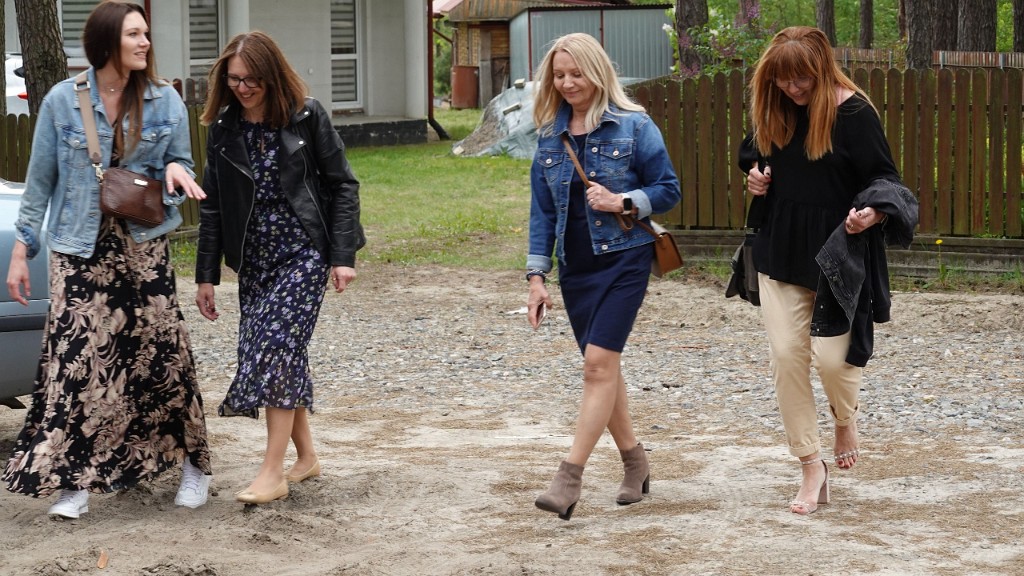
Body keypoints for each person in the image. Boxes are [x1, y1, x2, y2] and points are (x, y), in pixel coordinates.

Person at [3, 0, 212, 518]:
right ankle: (73, 482)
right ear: (106, 42)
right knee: (77, 363)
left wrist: (177, 173)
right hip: (78, 250)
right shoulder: (62, 100)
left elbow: (180, 161)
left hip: (143, 248)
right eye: (133, 34)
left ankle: (194, 465)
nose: (144, 43)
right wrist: (22, 252)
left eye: (145, 34)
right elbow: (40, 180)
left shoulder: (164, 99)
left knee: (161, 357)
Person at [740, 26, 918, 515]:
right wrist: (755, 176)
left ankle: (844, 418)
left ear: (821, 69)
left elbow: (886, 178)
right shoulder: (773, 105)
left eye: (801, 79)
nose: (792, 88)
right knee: (786, 356)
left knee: (833, 362)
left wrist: (873, 212)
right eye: (782, 80)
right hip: (780, 250)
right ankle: (809, 464)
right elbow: (754, 155)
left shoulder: (854, 112)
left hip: (840, 254)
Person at [195, 31, 364, 505]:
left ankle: (272, 472)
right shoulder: (225, 128)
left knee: (275, 349)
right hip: (255, 261)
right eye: (234, 80)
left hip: (304, 252)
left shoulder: (306, 116)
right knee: (279, 353)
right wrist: (206, 275)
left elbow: (343, 185)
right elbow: (212, 206)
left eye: (252, 79)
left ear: (272, 75)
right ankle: (306, 457)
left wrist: (342, 256)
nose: (243, 88)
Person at [526, 33, 681, 520]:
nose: (567, 83)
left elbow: (668, 188)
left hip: (624, 260)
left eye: (577, 73)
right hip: (576, 268)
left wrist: (622, 201)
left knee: (596, 366)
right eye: (559, 75)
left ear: (597, 72)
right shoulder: (549, 137)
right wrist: (537, 277)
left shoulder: (634, 125)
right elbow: (541, 213)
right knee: (604, 369)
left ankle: (568, 477)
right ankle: (635, 462)